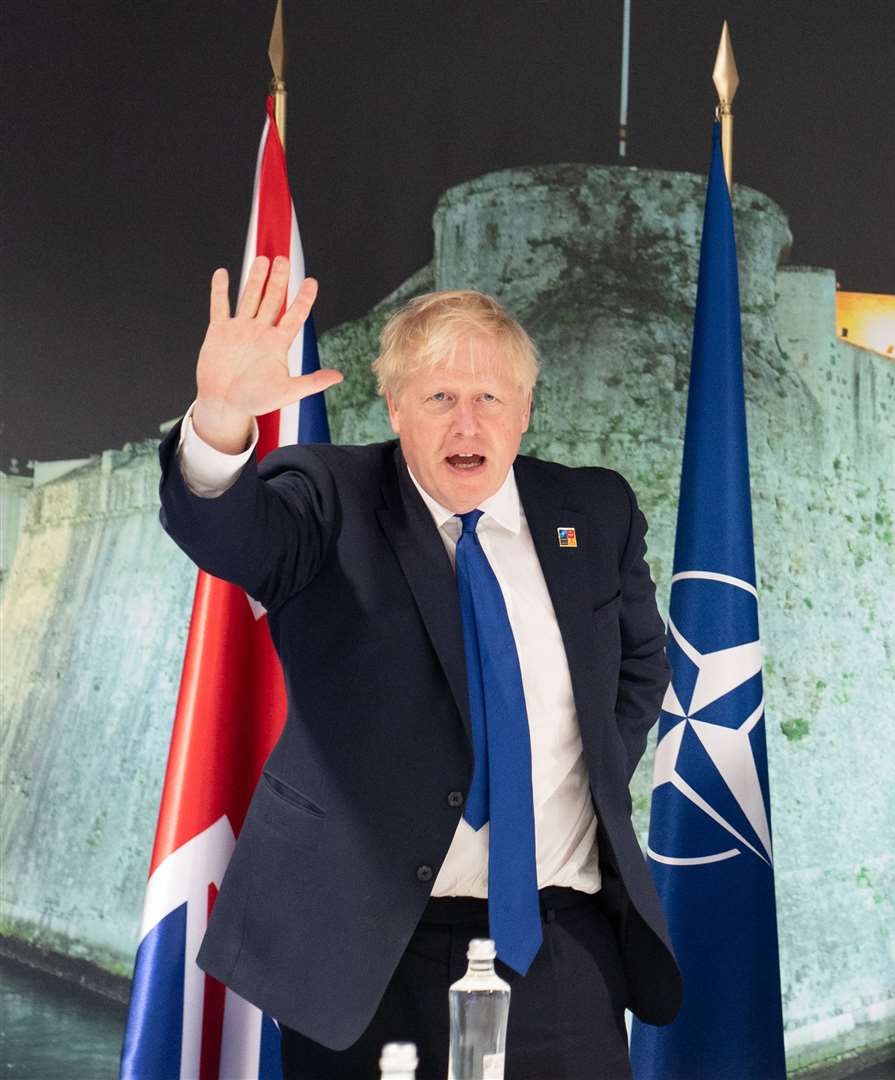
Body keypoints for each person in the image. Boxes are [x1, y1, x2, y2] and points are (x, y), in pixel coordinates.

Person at [158, 255, 680, 1078]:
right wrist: (220, 419)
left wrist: (560, 765)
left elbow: (639, 667)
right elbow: (232, 536)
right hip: (371, 955)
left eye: (488, 399)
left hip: (561, 949)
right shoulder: (332, 497)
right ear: (396, 407)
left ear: (526, 411)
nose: (465, 426)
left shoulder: (596, 510)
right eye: (439, 398)